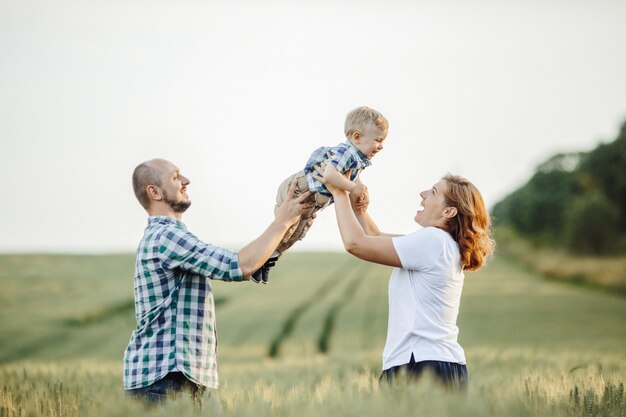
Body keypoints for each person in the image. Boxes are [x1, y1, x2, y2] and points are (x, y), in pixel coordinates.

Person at [124, 158, 314, 407]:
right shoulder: (166, 236)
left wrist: (288, 231)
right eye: (175, 177)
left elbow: (252, 264)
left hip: (179, 377)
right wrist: (282, 222)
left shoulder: (172, 236)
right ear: (154, 192)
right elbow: (239, 265)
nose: (185, 180)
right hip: (164, 380)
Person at [316, 165, 495, 390]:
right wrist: (359, 210)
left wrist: (339, 192)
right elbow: (374, 237)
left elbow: (355, 243)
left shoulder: (433, 241)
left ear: (449, 212)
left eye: (433, 192)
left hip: (420, 365)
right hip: (439, 365)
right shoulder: (441, 244)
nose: (423, 194)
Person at [269, 106, 389, 268]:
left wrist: (362, 190)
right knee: (287, 229)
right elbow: (330, 175)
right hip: (297, 189)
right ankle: (263, 256)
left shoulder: (357, 159)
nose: (381, 146)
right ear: (357, 137)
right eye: (378, 140)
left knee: (297, 234)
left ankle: (267, 262)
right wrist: (354, 188)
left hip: (311, 201)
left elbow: (353, 178)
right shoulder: (346, 153)